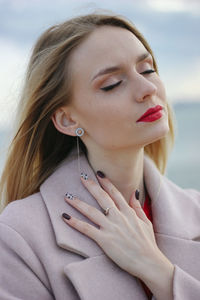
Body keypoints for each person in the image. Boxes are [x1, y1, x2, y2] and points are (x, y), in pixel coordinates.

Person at [0, 12, 200, 300]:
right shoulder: (19, 236)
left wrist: (157, 271)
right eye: (112, 84)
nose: (148, 89)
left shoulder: (196, 211)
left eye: (147, 69)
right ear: (67, 120)